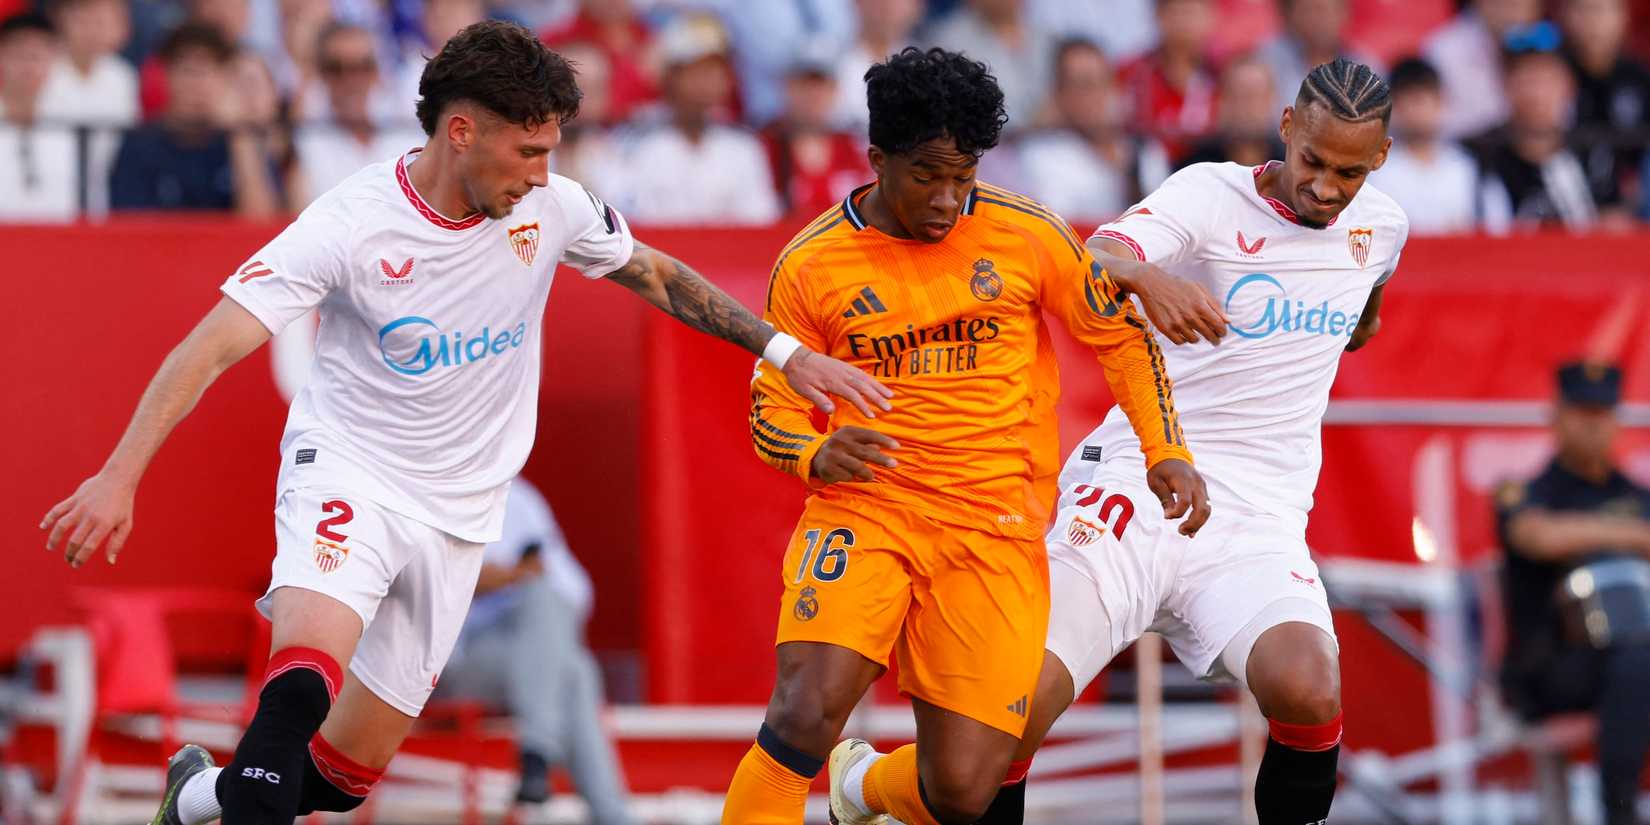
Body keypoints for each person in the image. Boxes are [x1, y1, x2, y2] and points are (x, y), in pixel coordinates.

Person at [40, 20, 888, 825]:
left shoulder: (550, 206)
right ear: (460, 133)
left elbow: (657, 275)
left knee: (339, 781)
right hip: (349, 470)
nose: (541, 172)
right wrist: (120, 473)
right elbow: (210, 345)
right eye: (528, 150)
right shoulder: (351, 223)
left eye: (551, 150)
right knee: (299, 686)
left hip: (460, 514)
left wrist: (784, 352)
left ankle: (194, 797)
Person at [722, 47, 1210, 825]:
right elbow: (769, 410)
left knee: (962, 789)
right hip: (869, 511)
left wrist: (1167, 449)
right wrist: (815, 452)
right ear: (877, 159)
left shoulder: (1026, 234)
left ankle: (862, 788)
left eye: (965, 174)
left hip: (996, 527)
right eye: (927, 175)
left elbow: (1117, 335)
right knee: (803, 710)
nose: (949, 198)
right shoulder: (812, 265)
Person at [977, 58, 1408, 825]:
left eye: (1349, 171)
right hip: (1141, 479)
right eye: (1312, 161)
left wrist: (1357, 327)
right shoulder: (1209, 194)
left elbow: (1365, 307)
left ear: (1378, 158)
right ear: (1285, 129)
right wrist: (1152, 280)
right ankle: (878, 790)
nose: (1326, 188)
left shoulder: (1382, 228)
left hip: (1255, 517)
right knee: (1009, 707)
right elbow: (1095, 259)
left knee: (1310, 690)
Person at [1496, 362, 1650, 825]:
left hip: (1628, 662)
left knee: (1637, 659)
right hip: (1551, 667)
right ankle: (1619, 811)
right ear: (1556, 416)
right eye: (1581, 411)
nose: (1592, 423)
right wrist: (1636, 536)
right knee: (1637, 660)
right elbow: (1535, 536)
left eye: (1602, 412)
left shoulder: (1636, 494)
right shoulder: (1526, 492)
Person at [434, 477, 635, 824]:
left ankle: (539, 755)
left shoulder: (521, 498)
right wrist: (502, 577)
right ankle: (597, 804)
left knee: (568, 659)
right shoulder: (430, 485)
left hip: (516, 655)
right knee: (570, 667)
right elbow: (429, 578)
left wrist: (515, 579)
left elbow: (573, 590)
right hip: (444, 661)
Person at [609, 13, 781, 225]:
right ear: (670, 77)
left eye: (716, 71)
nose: (708, 81)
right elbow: (624, 222)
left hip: (729, 256)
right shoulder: (635, 142)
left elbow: (760, 222)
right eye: (697, 71)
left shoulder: (744, 147)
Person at [108, 23, 282, 216]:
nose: (197, 84)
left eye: (208, 71)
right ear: (167, 76)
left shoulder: (244, 142)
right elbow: (129, 227)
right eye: (188, 70)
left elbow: (261, 226)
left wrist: (239, 135)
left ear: (224, 77)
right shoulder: (140, 144)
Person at [1017, 37, 1168, 222]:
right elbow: (1060, 228)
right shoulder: (1040, 155)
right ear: (1060, 94)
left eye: (1104, 81)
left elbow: (1164, 225)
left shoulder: (1145, 149)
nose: (1097, 94)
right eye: (1084, 84)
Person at [1473, 38, 1616, 232]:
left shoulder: (1591, 150)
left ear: (1569, 86)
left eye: (1546, 79)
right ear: (1505, 85)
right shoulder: (1480, 153)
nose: (1537, 93)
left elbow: (1615, 219)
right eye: (1527, 80)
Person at [293, 22, 425, 204]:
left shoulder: (405, 133)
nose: (352, 80)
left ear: (376, 72)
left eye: (363, 66)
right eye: (337, 68)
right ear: (322, 74)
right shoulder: (306, 143)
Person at [1370, 57, 1483, 234]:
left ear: (1441, 102)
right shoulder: (1377, 172)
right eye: (1408, 101)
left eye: (1423, 100)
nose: (1417, 111)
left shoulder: (1465, 167)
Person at [760, 41, 871, 216]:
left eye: (821, 85)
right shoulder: (764, 149)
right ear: (787, 88)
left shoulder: (855, 150)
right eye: (804, 85)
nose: (813, 95)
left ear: (835, 91)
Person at [1560, 0, 1650, 217]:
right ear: (1566, 16)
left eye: (1600, 10)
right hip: (1567, 201)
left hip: (1631, 204)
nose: (1592, 21)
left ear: (1623, 17)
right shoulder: (1555, 74)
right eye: (1582, 10)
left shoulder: (1638, 78)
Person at [923, 0, 1057, 130]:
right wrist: (1027, 125)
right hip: (986, 145)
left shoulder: (1046, 37)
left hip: (1055, 141)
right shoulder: (948, 40)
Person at [1422, 0, 1543, 138]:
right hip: (1465, 150)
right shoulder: (1444, 50)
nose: (1518, 16)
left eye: (1526, 6)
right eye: (1511, 4)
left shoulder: (1544, 44)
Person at [0, 12, 79, 220]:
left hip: (59, 239)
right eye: (18, 54)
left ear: (54, 59)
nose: (28, 66)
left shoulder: (72, 124)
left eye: (36, 55)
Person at [1117, 0, 1218, 161]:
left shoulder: (1222, 77)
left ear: (1210, 17)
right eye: (1176, 11)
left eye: (1191, 12)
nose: (1184, 22)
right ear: (1159, 15)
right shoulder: (1131, 74)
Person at [1255, 0, 1384, 112]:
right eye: (1309, 10)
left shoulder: (1367, 66)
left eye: (1325, 10)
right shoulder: (1266, 62)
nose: (1318, 19)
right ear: (1291, 15)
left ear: (1345, 13)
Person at [1176, 54, 1286, 170]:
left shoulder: (1289, 165)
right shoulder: (1196, 166)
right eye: (1239, 95)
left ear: (1272, 100)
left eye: (1255, 96)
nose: (1248, 106)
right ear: (1222, 101)